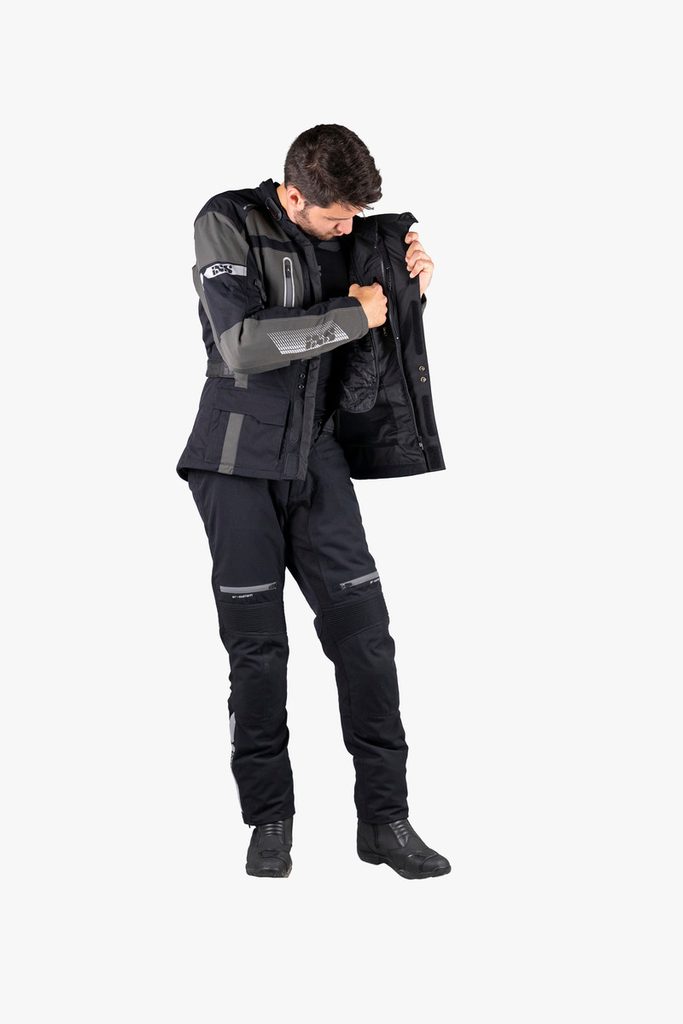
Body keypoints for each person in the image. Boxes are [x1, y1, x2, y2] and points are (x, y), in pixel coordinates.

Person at [177, 124, 451, 880]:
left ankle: (385, 821)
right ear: (293, 194)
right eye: (335, 216)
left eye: (355, 216)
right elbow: (242, 345)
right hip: (234, 461)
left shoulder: (356, 236)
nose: (346, 228)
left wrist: (409, 292)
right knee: (258, 652)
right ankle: (270, 822)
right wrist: (356, 313)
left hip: (317, 458)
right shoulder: (227, 219)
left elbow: (378, 344)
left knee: (367, 640)